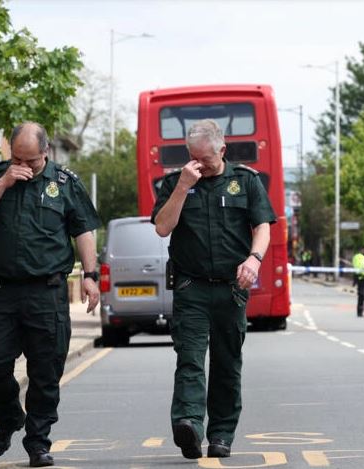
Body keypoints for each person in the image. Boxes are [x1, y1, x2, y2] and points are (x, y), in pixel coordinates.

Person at [0, 121, 101, 468]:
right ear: (11, 153)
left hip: (47, 292)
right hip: (4, 291)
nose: (25, 166)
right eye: (18, 159)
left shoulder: (65, 183)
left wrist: (90, 275)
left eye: (32, 161)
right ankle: (9, 417)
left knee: (45, 371)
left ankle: (38, 441)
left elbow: (83, 228)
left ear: (46, 152)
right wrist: (5, 181)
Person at [152, 119, 276, 460]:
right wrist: (182, 187)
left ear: (222, 150)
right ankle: (189, 425)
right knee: (189, 359)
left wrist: (254, 259)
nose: (198, 165)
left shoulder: (246, 181)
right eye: (192, 157)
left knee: (226, 362)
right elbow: (163, 227)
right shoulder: (175, 182)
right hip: (191, 286)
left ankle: (222, 433)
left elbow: (263, 227)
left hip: (231, 288)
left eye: (204, 159)